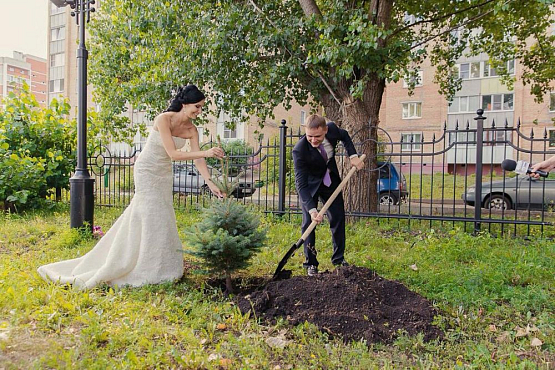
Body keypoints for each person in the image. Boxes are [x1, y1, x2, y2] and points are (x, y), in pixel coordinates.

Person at [37, 85, 225, 289]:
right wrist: (206, 153)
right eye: (197, 107)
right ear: (185, 103)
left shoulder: (191, 130)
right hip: (146, 170)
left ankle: (159, 266)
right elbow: (173, 154)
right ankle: (135, 263)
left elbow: (197, 161)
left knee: (162, 215)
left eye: (201, 107)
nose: (199, 111)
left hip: (164, 174)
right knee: (150, 212)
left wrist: (209, 181)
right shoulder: (164, 119)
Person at [292, 114, 364, 276]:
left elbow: (344, 135)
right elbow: (301, 184)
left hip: (330, 181)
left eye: (317, 136)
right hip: (310, 185)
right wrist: (312, 210)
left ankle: (338, 259)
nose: (313, 140)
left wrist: (353, 156)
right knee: (308, 224)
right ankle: (311, 263)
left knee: (338, 218)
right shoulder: (300, 151)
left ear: (325, 130)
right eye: (309, 136)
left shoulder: (332, 129)